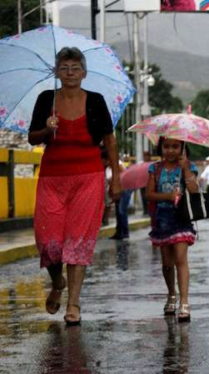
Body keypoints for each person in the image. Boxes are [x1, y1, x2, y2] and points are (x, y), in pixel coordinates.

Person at [28, 47, 121, 326]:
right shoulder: (46, 99)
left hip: (88, 177)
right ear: (57, 72)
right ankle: (58, 282)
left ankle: (74, 303)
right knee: (48, 242)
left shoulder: (95, 100)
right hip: (52, 178)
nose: (70, 73)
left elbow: (110, 140)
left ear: (84, 73)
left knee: (77, 242)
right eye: (65, 67)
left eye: (75, 68)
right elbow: (33, 138)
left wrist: (115, 178)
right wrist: (46, 129)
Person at [146, 137, 199, 322]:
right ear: (161, 147)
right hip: (162, 220)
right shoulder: (155, 168)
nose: (170, 150)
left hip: (181, 219)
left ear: (182, 148)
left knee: (180, 260)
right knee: (167, 263)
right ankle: (171, 294)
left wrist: (185, 169)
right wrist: (169, 196)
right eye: (166, 146)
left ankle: (185, 302)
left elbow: (193, 190)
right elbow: (149, 193)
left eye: (175, 146)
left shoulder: (189, 167)